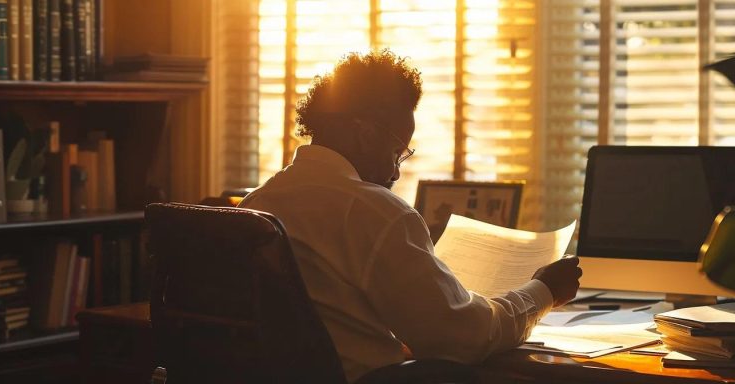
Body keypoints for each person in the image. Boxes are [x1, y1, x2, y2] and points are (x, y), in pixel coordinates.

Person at [237, 50, 581, 383]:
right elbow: (464, 339)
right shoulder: (375, 212)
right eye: (396, 154)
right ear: (366, 134)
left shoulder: (256, 204)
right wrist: (544, 291)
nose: (396, 173)